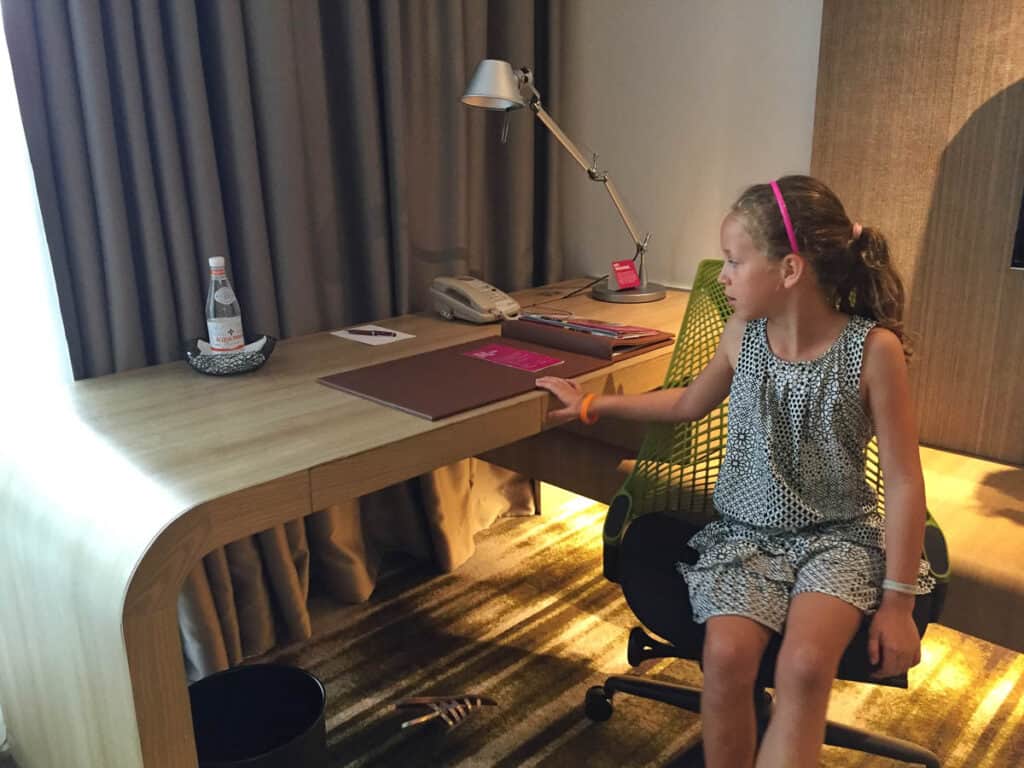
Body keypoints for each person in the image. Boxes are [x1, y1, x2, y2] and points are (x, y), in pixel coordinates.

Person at [536, 175, 934, 768]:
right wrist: (595, 405)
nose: (721, 276)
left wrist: (898, 604)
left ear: (789, 270)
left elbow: (903, 480)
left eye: (733, 261)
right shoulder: (742, 335)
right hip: (745, 538)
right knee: (724, 660)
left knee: (803, 667)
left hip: (838, 540)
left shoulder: (873, 351)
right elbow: (685, 402)